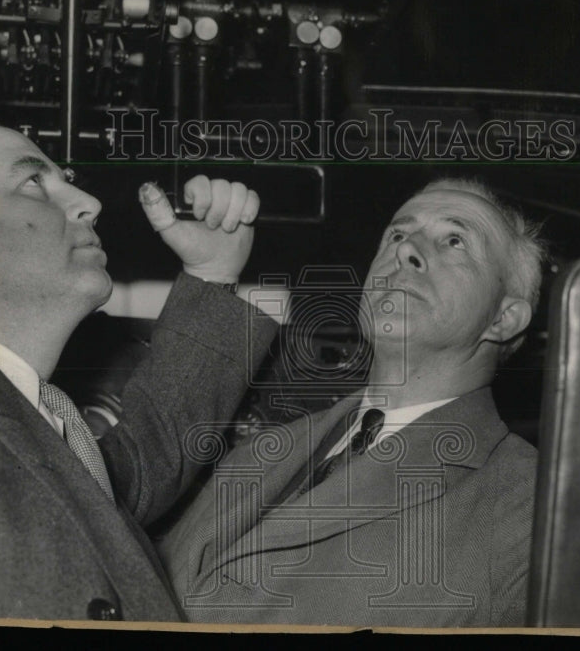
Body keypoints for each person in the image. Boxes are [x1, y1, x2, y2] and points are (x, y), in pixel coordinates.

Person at [0, 123, 279, 620]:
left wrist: (213, 272)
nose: (90, 201)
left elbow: (132, 471)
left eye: (67, 178)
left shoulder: (16, 416)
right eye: (33, 183)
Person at [155, 177, 545, 627]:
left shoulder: (532, 510)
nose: (405, 249)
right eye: (397, 234)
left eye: (454, 241)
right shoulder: (263, 452)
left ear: (503, 318)